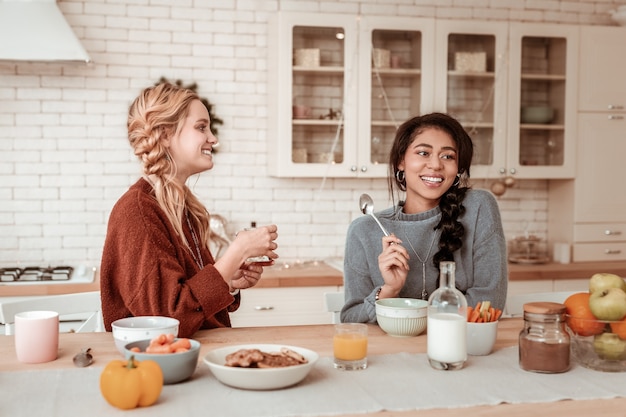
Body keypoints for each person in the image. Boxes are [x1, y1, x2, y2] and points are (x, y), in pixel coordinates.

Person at [100, 82, 279, 337]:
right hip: (157, 368)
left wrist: (228, 281)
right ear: (165, 134)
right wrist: (235, 253)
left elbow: (188, 298)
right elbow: (167, 322)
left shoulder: (182, 207)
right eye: (201, 127)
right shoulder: (138, 211)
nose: (213, 138)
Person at [341, 112, 507, 323]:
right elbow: (350, 319)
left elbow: (489, 302)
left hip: (461, 348)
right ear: (401, 161)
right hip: (389, 351)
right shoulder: (364, 230)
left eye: (448, 156)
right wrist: (389, 290)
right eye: (423, 153)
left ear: (458, 169)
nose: (436, 165)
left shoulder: (478, 207)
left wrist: (411, 316)